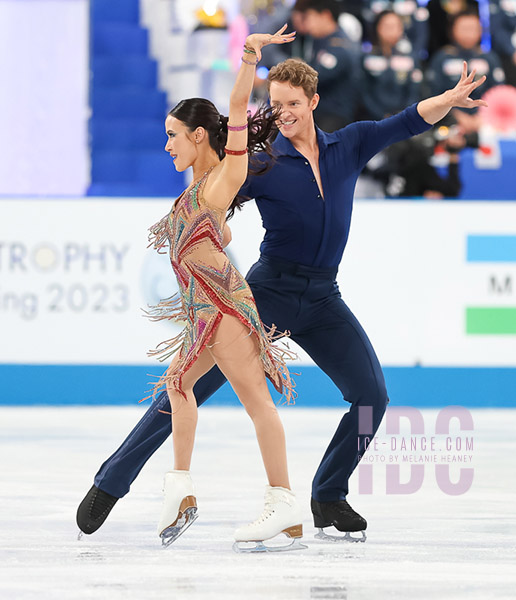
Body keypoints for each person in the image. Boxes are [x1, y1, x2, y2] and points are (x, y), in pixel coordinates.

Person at [77, 57, 487, 544]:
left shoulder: (349, 144)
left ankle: (328, 494)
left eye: (293, 104)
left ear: (313, 102)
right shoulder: (263, 160)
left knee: (371, 397)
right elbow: (212, 193)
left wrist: (446, 99)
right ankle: (111, 482)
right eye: (275, 105)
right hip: (265, 294)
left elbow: (405, 122)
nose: (284, 113)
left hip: (322, 300)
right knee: (186, 386)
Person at [78, 27, 306, 552]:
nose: (167, 145)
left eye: (173, 135)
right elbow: (215, 232)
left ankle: (283, 500)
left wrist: (249, 59)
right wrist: (219, 232)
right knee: (178, 386)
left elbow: (235, 106)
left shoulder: (227, 173)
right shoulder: (200, 191)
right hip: (206, 311)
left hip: (225, 308)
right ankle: (181, 489)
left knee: (255, 403)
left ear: (199, 135)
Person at [292, 0, 362, 130]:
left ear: (325, 15)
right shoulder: (319, 41)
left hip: (333, 115)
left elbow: (317, 77)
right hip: (318, 112)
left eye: (310, 17)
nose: (307, 23)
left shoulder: (339, 46)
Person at [427, 10, 505, 102]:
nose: (469, 34)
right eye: (464, 28)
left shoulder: (490, 58)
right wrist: (455, 115)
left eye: (473, 28)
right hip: (447, 111)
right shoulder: (442, 57)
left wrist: (482, 113)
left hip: (484, 112)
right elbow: (433, 93)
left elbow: (499, 92)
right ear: (452, 30)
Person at [360, 10, 423, 121]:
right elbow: (363, 92)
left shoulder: (410, 59)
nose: (390, 30)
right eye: (386, 26)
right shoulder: (367, 58)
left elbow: (414, 91)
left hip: (404, 118)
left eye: (395, 26)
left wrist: (402, 116)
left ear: (401, 29)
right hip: (372, 119)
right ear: (377, 28)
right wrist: (381, 115)